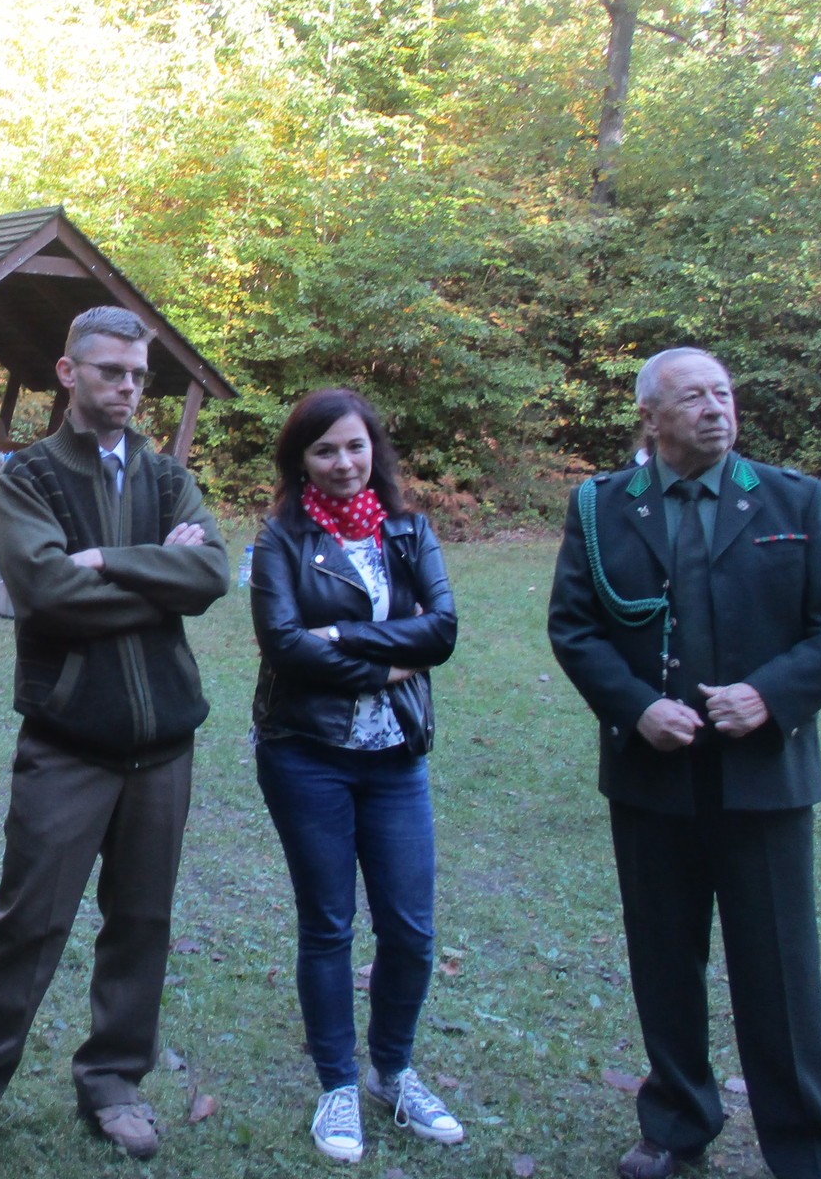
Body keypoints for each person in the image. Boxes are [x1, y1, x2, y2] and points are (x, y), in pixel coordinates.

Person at [548, 347, 821, 1179]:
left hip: (763, 780)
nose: (715, 409)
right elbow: (575, 627)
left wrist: (768, 696)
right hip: (653, 779)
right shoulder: (602, 506)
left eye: (722, 393)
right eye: (692, 398)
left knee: (780, 974)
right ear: (650, 417)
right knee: (665, 962)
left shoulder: (792, 498)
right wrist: (636, 707)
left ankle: (807, 1153)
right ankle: (676, 1123)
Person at [0, 306, 228, 1162]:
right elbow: (47, 593)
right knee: (26, 920)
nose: (128, 387)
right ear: (69, 373)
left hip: (163, 742)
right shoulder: (30, 476)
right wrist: (159, 579)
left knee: (142, 922)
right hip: (68, 739)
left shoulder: (167, 476)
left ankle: (114, 1082)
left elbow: (212, 573)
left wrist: (108, 560)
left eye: (138, 375)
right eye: (110, 371)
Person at [249, 388, 463, 1162]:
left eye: (355, 446)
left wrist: (340, 632)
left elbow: (442, 630)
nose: (344, 463)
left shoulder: (408, 531)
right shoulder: (281, 539)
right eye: (325, 450)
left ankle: (392, 1071)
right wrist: (380, 664)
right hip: (307, 753)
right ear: (300, 460)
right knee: (329, 924)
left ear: (376, 449)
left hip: (396, 757)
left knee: (410, 928)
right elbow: (283, 643)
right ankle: (338, 1083)